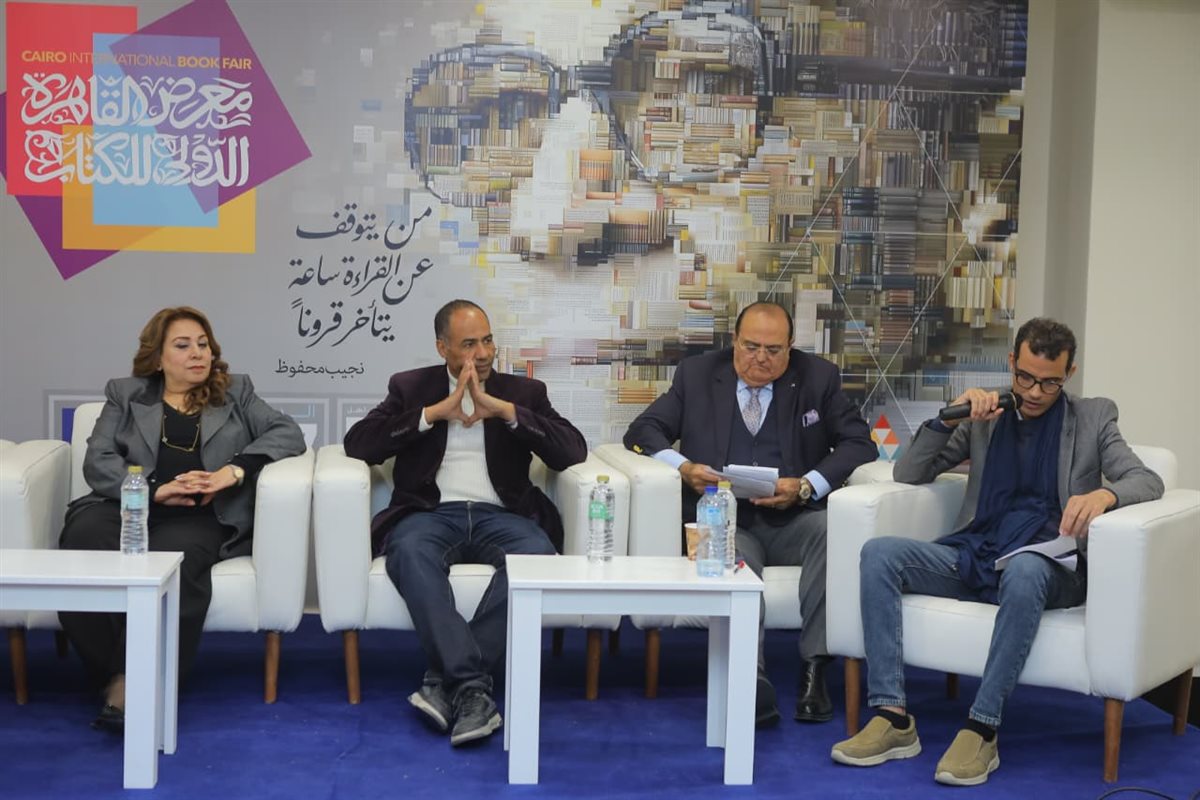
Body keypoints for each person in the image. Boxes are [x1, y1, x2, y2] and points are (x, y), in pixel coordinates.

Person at [830, 317, 1165, 786]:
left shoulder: (1093, 418)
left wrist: (1104, 495)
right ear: (1011, 363)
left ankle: (982, 727)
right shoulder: (986, 414)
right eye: (1025, 377)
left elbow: (1147, 480)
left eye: (1049, 382)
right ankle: (893, 718)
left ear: (1069, 373)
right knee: (880, 554)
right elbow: (909, 472)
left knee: (1025, 568)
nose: (1034, 392)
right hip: (980, 551)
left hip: (1051, 565)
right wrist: (950, 417)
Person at [343, 299, 587, 746]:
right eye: (469, 344)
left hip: (504, 515)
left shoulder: (523, 393)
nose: (484, 353)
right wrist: (432, 414)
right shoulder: (411, 387)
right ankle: (473, 690)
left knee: (537, 556)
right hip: (430, 513)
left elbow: (573, 451)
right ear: (443, 348)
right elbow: (358, 445)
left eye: (488, 341)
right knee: (408, 551)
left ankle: (447, 682)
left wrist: (507, 413)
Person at [623, 301, 877, 727]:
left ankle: (815, 670)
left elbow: (859, 443)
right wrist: (683, 467)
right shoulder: (698, 374)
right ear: (734, 341)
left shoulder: (818, 377)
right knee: (731, 553)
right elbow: (643, 430)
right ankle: (750, 679)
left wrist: (806, 484)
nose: (760, 358)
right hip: (726, 519)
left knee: (831, 531)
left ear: (790, 346)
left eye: (773, 350)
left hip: (795, 516)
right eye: (750, 346)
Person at [59, 306, 306, 734]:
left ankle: (132, 685)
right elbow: (98, 459)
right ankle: (117, 673)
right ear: (158, 358)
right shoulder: (126, 394)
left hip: (199, 515)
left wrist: (233, 471)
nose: (198, 353)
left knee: (176, 559)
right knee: (82, 539)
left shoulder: (236, 392)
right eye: (183, 345)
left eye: (203, 344)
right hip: (130, 506)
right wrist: (153, 490)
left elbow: (288, 433)